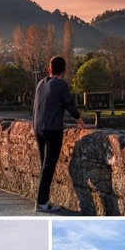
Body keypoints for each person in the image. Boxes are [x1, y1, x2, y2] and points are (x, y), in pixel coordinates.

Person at [31, 56, 86, 213]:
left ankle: (44, 201)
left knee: (44, 166)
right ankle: (41, 202)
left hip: (38, 128)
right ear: (64, 70)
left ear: (50, 69)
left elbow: (35, 107)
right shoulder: (61, 84)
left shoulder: (41, 83)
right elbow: (69, 105)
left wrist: (34, 125)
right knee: (48, 167)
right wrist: (82, 124)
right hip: (52, 130)